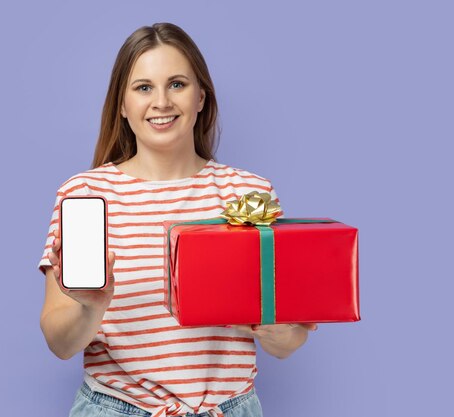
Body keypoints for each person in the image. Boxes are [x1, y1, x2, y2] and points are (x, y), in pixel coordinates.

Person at [37, 22, 317, 417]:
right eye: (144, 87)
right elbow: (59, 343)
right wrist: (90, 309)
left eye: (177, 84)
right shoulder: (84, 195)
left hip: (229, 407)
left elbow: (290, 343)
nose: (162, 102)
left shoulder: (250, 194)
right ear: (122, 104)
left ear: (201, 96)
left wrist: (272, 328)